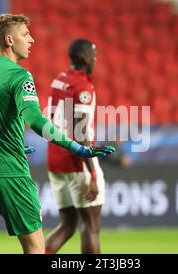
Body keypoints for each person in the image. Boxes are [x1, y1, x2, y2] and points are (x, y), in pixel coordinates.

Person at [0, 14, 114, 254]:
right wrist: (78, 148)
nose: (31, 40)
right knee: (35, 250)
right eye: (25, 35)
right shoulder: (20, 75)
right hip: (11, 174)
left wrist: (11, 142)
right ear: (10, 40)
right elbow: (37, 121)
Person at [45, 39, 107, 254]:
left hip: (55, 160)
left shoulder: (59, 80)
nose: (95, 59)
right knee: (91, 227)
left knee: (67, 225)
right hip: (76, 161)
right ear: (83, 57)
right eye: (93, 55)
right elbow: (81, 134)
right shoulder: (83, 87)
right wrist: (93, 175)